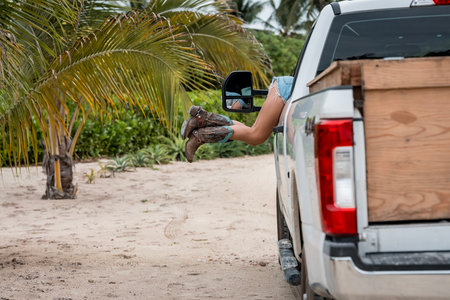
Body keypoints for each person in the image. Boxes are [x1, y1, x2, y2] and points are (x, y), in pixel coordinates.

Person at [181, 76, 294, 163]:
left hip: (287, 84)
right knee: (255, 136)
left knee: (252, 132)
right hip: (289, 87)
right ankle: (200, 135)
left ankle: (201, 119)